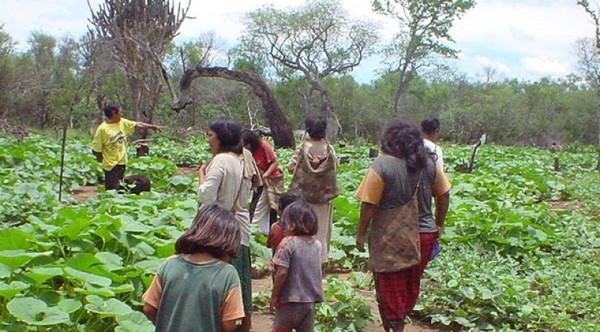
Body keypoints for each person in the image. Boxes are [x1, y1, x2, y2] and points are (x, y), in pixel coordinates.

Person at [355, 118, 451, 332]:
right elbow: (444, 195)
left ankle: (395, 325)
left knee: (390, 285)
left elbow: (369, 204)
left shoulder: (382, 165)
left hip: (392, 237)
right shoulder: (428, 163)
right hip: (424, 235)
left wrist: (361, 234)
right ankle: (400, 317)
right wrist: (439, 224)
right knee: (410, 283)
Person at [198, 117, 261, 332]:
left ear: (221, 138)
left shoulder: (220, 160)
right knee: (240, 281)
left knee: (218, 282)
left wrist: (201, 177)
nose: (208, 140)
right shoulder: (241, 159)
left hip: (218, 228)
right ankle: (244, 325)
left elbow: (208, 196)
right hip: (240, 228)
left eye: (210, 135)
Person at [142, 204, 244, 332]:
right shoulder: (228, 274)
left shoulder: (170, 264)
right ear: (227, 243)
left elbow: (149, 308)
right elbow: (229, 324)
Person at [287, 115, 338, 263]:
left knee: (303, 227)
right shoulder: (329, 149)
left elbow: (291, 167)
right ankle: (320, 260)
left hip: (303, 197)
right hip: (323, 198)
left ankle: (301, 259)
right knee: (321, 229)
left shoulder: (303, 148)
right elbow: (335, 169)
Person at [270, 200, 324, 332]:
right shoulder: (317, 245)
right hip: (309, 301)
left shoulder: (288, 243)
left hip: (290, 300)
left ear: (292, 225)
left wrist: (274, 296)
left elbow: (281, 272)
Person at [92, 103, 165, 190]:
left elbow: (137, 124)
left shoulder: (122, 122)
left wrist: (153, 126)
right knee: (112, 190)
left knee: (119, 187)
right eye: (120, 112)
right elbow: (96, 150)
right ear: (113, 113)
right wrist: (105, 162)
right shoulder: (102, 129)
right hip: (111, 165)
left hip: (122, 163)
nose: (121, 114)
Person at [242, 130, 284, 235]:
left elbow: (275, 162)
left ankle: (268, 232)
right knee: (255, 205)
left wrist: (265, 175)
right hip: (260, 180)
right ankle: (259, 231)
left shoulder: (263, 146)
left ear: (250, 144)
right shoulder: (248, 152)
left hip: (272, 179)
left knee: (271, 206)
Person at [266, 192, 305, 256]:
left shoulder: (276, 227)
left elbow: (268, 245)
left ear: (281, 209)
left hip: (279, 261)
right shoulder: (304, 229)